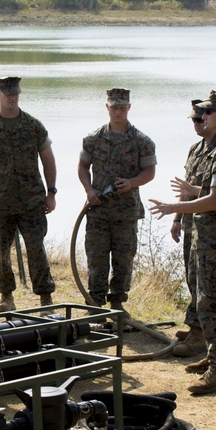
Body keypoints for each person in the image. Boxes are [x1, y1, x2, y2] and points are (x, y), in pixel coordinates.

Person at [149, 91, 216, 395]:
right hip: (209, 238)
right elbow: (209, 191)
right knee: (208, 297)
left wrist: (174, 208)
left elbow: (215, 200)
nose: (202, 117)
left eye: (208, 113)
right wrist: (185, 203)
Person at [0, 77, 57, 313]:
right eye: (8, 94)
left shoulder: (33, 125)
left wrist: (51, 193)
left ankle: (45, 298)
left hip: (32, 202)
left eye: (15, 93)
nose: (12, 97)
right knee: (1, 252)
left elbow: (48, 159)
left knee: (36, 249)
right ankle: (6, 297)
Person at [77, 88, 157, 318]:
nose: (118, 111)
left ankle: (117, 304)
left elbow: (150, 171)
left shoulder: (142, 141)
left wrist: (132, 182)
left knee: (124, 259)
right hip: (98, 210)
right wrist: (89, 189)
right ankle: (94, 304)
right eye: (114, 107)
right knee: (96, 257)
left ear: (129, 107)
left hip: (126, 212)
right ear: (107, 108)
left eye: (122, 107)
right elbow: (82, 166)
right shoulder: (92, 139)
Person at [170, 101, 216, 358]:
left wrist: (191, 195)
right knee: (191, 277)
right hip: (191, 225)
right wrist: (177, 218)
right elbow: (185, 191)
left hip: (209, 228)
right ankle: (196, 327)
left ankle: (200, 335)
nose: (197, 125)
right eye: (193, 121)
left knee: (203, 282)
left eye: (200, 120)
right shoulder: (195, 150)